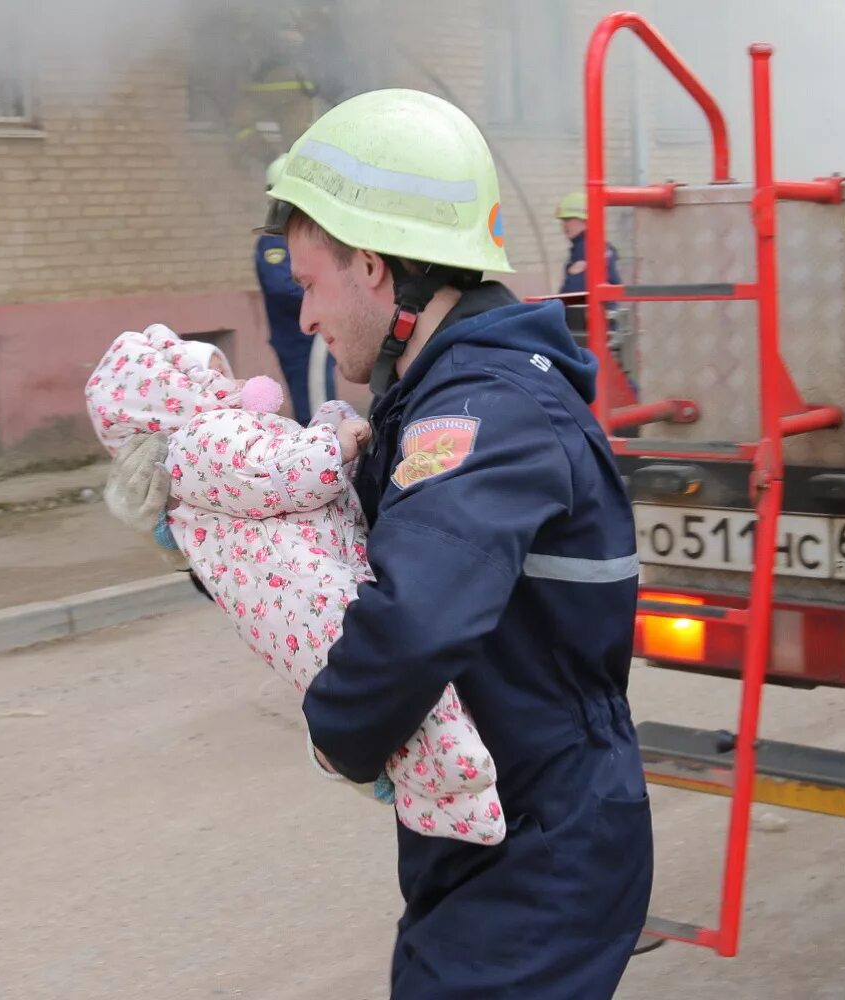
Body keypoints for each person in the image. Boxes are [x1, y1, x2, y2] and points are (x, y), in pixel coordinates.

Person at [105, 89, 652, 998]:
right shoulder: (435, 400)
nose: (305, 318)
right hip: (494, 835)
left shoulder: (485, 415)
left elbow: (407, 623)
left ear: (372, 268)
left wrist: (339, 739)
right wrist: (202, 533)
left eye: (309, 284)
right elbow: (330, 555)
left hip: (543, 850)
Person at [85, 324, 506, 846]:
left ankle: (439, 797)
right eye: (216, 372)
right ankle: (457, 799)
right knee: (404, 685)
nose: (234, 378)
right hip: (303, 589)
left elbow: (278, 460)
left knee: (394, 693)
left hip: (300, 588)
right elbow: (277, 474)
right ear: (178, 392)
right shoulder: (201, 439)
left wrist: (326, 424)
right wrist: (336, 444)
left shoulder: (211, 439)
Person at [255, 155, 337, 425]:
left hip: (312, 338)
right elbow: (283, 288)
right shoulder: (274, 243)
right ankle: (323, 456)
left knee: (322, 400)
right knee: (316, 408)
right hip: (299, 340)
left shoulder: (297, 237)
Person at [556, 190, 621, 297]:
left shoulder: (586, 248)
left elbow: (574, 294)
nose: (564, 225)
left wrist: (573, 275)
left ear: (586, 220)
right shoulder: (600, 246)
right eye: (562, 220)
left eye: (568, 219)